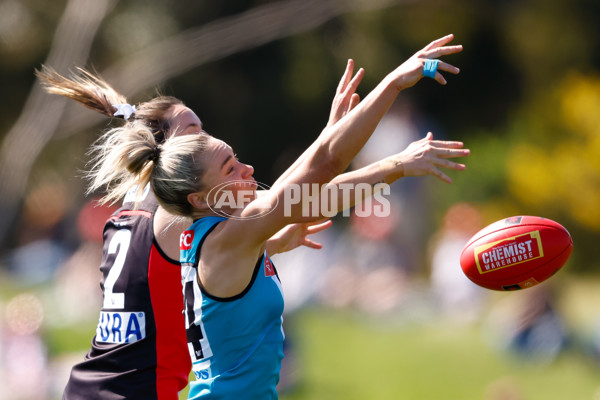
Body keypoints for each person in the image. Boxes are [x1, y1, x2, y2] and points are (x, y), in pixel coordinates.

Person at [82, 33, 467, 399]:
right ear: (196, 194)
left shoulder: (212, 231)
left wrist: (336, 140)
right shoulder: (219, 234)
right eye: (230, 167)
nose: (248, 169)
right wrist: (395, 93)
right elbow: (317, 174)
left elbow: (311, 195)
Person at [36, 60, 359, 399]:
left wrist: (268, 246)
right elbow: (292, 197)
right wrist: (336, 141)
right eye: (193, 131)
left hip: (93, 387)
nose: (205, 138)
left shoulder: (135, 207)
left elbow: (171, 276)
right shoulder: (177, 211)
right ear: (164, 147)